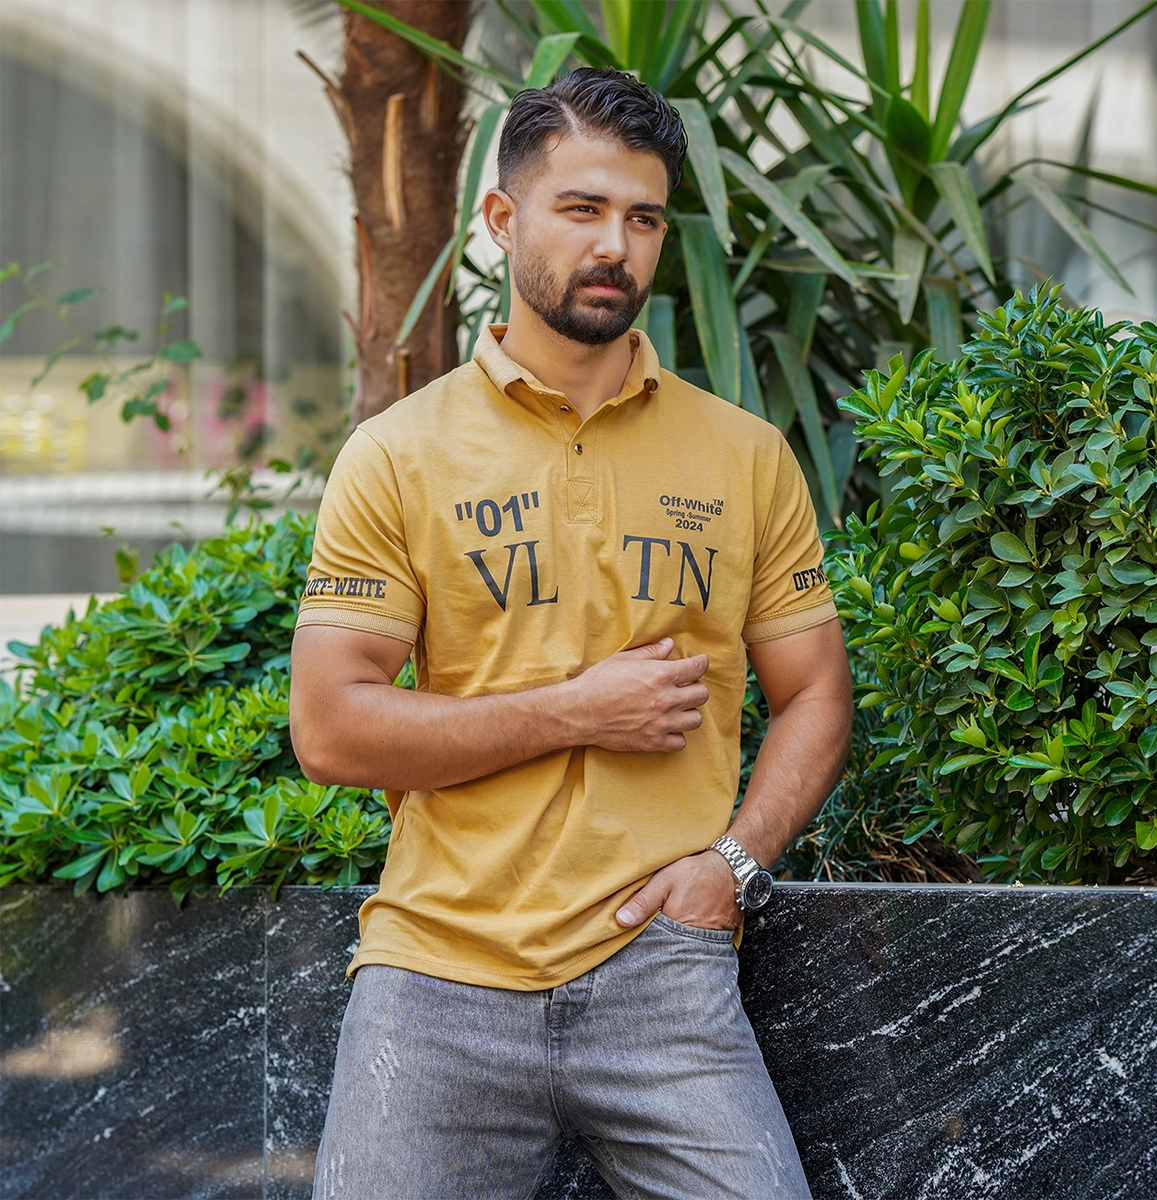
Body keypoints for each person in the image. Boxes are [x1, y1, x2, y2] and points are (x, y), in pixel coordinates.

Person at [290, 66, 852, 1200]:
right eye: (583, 209)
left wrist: (734, 865)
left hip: (665, 970)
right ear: (502, 219)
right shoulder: (397, 454)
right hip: (435, 975)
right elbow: (333, 730)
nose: (615, 246)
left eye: (643, 219)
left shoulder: (744, 455)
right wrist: (575, 711)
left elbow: (816, 695)